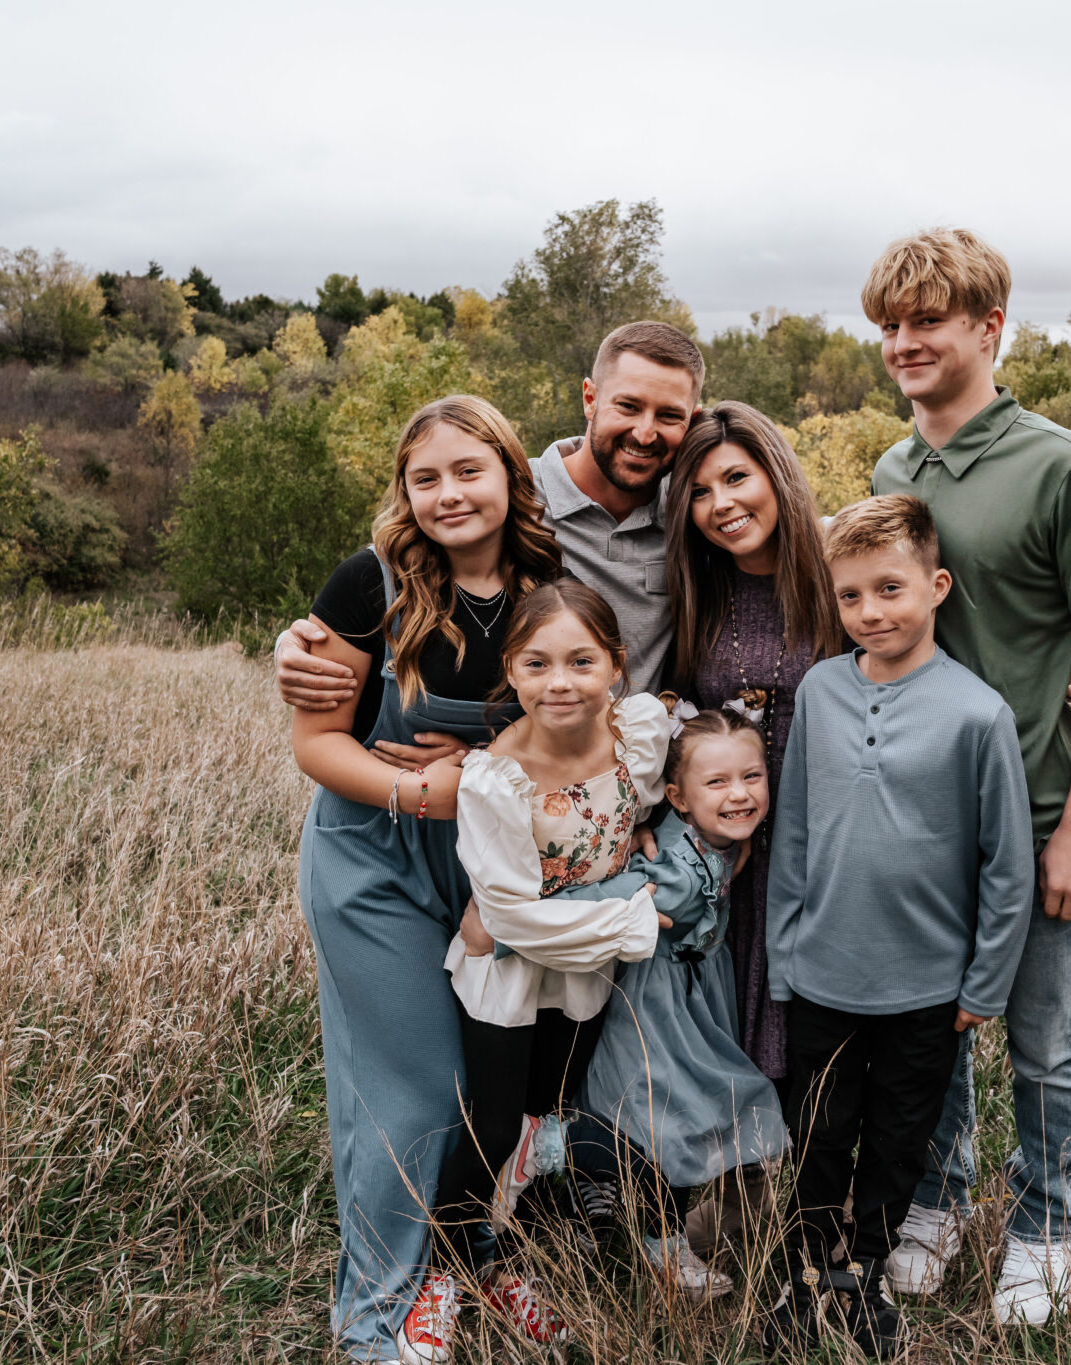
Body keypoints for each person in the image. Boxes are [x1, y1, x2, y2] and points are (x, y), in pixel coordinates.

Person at [864, 228, 1071, 1325]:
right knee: (932, 1022)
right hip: (921, 813)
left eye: (927, 321)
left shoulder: (1063, 464)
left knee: (1042, 1035)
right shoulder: (896, 469)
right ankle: (936, 1198)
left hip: (1031, 806)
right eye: (889, 325)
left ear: (989, 327)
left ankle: (1048, 1224)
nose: (904, 342)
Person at [289, 395, 563, 1363]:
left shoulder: (549, 581)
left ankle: (475, 1256)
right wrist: (425, 797)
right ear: (405, 493)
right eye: (426, 478)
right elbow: (316, 744)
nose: (448, 493)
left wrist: (492, 764)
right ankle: (373, 1322)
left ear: (509, 473)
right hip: (373, 858)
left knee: (502, 1083)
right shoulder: (370, 586)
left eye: (468, 470)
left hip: (493, 870)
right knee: (413, 1091)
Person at [762, 494, 1034, 1358]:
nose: (870, 612)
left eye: (889, 589)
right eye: (850, 596)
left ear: (936, 585)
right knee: (817, 1130)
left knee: (895, 1137)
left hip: (925, 985)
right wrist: (781, 955)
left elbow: (1006, 864)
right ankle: (808, 1269)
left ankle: (865, 1272)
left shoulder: (976, 712)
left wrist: (983, 984)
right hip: (821, 972)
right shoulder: (820, 689)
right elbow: (795, 832)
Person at [437, 579, 669, 1341]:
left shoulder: (637, 733)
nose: (559, 682)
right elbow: (509, 920)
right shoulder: (494, 778)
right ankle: (445, 1270)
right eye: (536, 664)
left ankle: (510, 1261)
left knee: (548, 1123)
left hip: (581, 977)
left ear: (615, 665)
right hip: (508, 975)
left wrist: (641, 843)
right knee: (496, 1124)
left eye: (580, 661)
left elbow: (648, 798)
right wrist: (635, 917)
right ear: (510, 669)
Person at [273, 321, 705, 722]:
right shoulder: (506, 496)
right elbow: (391, 569)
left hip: (643, 780)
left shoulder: (696, 516)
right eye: (627, 406)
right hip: (524, 770)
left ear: (692, 420)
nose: (645, 433)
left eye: (669, 416)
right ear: (590, 399)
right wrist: (293, 646)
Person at [662, 401, 840, 1249]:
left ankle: (825, 1215)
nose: (721, 503)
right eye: (697, 491)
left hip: (824, 851)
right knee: (725, 1027)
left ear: (776, 472)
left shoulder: (837, 572)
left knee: (817, 1033)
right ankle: (733, 1202)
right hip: (724, 853)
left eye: (736, 476)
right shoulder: (701, 591)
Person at [546, 706, 790, 1298]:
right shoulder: (671, 868)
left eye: (751, 777)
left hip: (698, 993)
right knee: (661, 1123)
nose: (739, 795)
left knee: (679, 1119)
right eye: (718, 783)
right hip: (656, 1004)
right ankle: (562, 1162)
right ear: (678, 799)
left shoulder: (725, 839)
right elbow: (593, 896)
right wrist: (509, 921)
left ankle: (614, 1215)